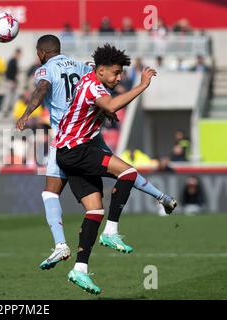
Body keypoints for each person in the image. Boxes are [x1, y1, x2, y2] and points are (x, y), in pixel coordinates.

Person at [16, 36, 177, 274]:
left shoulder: (44, 70)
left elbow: (42, 88)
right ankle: (161, 197)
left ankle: (61, 244)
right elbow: (97, 90)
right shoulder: (79, 66)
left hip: (68, 136)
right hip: (89, 130)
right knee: (115, 180)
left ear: (40, 53)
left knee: (51, 191)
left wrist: (27, 112)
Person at [54, 44, 172, 294]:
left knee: (94, 210)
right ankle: (112, 230)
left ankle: (80, 270)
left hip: (67, 154)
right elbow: (110, 105)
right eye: (116, 73)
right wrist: (141, 86)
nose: (119, 77)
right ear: (101, 70)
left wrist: (103, 113)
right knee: (128, 173)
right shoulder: (93, 85)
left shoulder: (91, 79)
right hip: (78, 150)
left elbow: (97, 107)